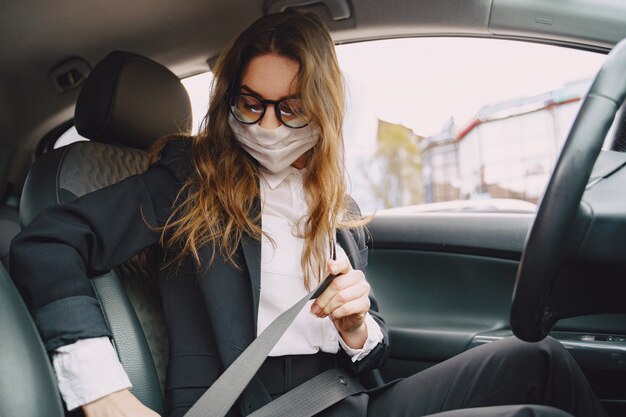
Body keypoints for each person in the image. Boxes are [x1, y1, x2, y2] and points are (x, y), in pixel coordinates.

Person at [10, 10, 608, 417]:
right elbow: (49, 244)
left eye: (290, 108)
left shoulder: (335, 202)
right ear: (231, 102)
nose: (268, 126)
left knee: (541, 358)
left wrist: (356, 329)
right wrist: (100, 388)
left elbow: (372, 351)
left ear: (320, 109)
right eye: (252, 104)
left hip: (347, 398)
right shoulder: (189, 179)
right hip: (252, 405)